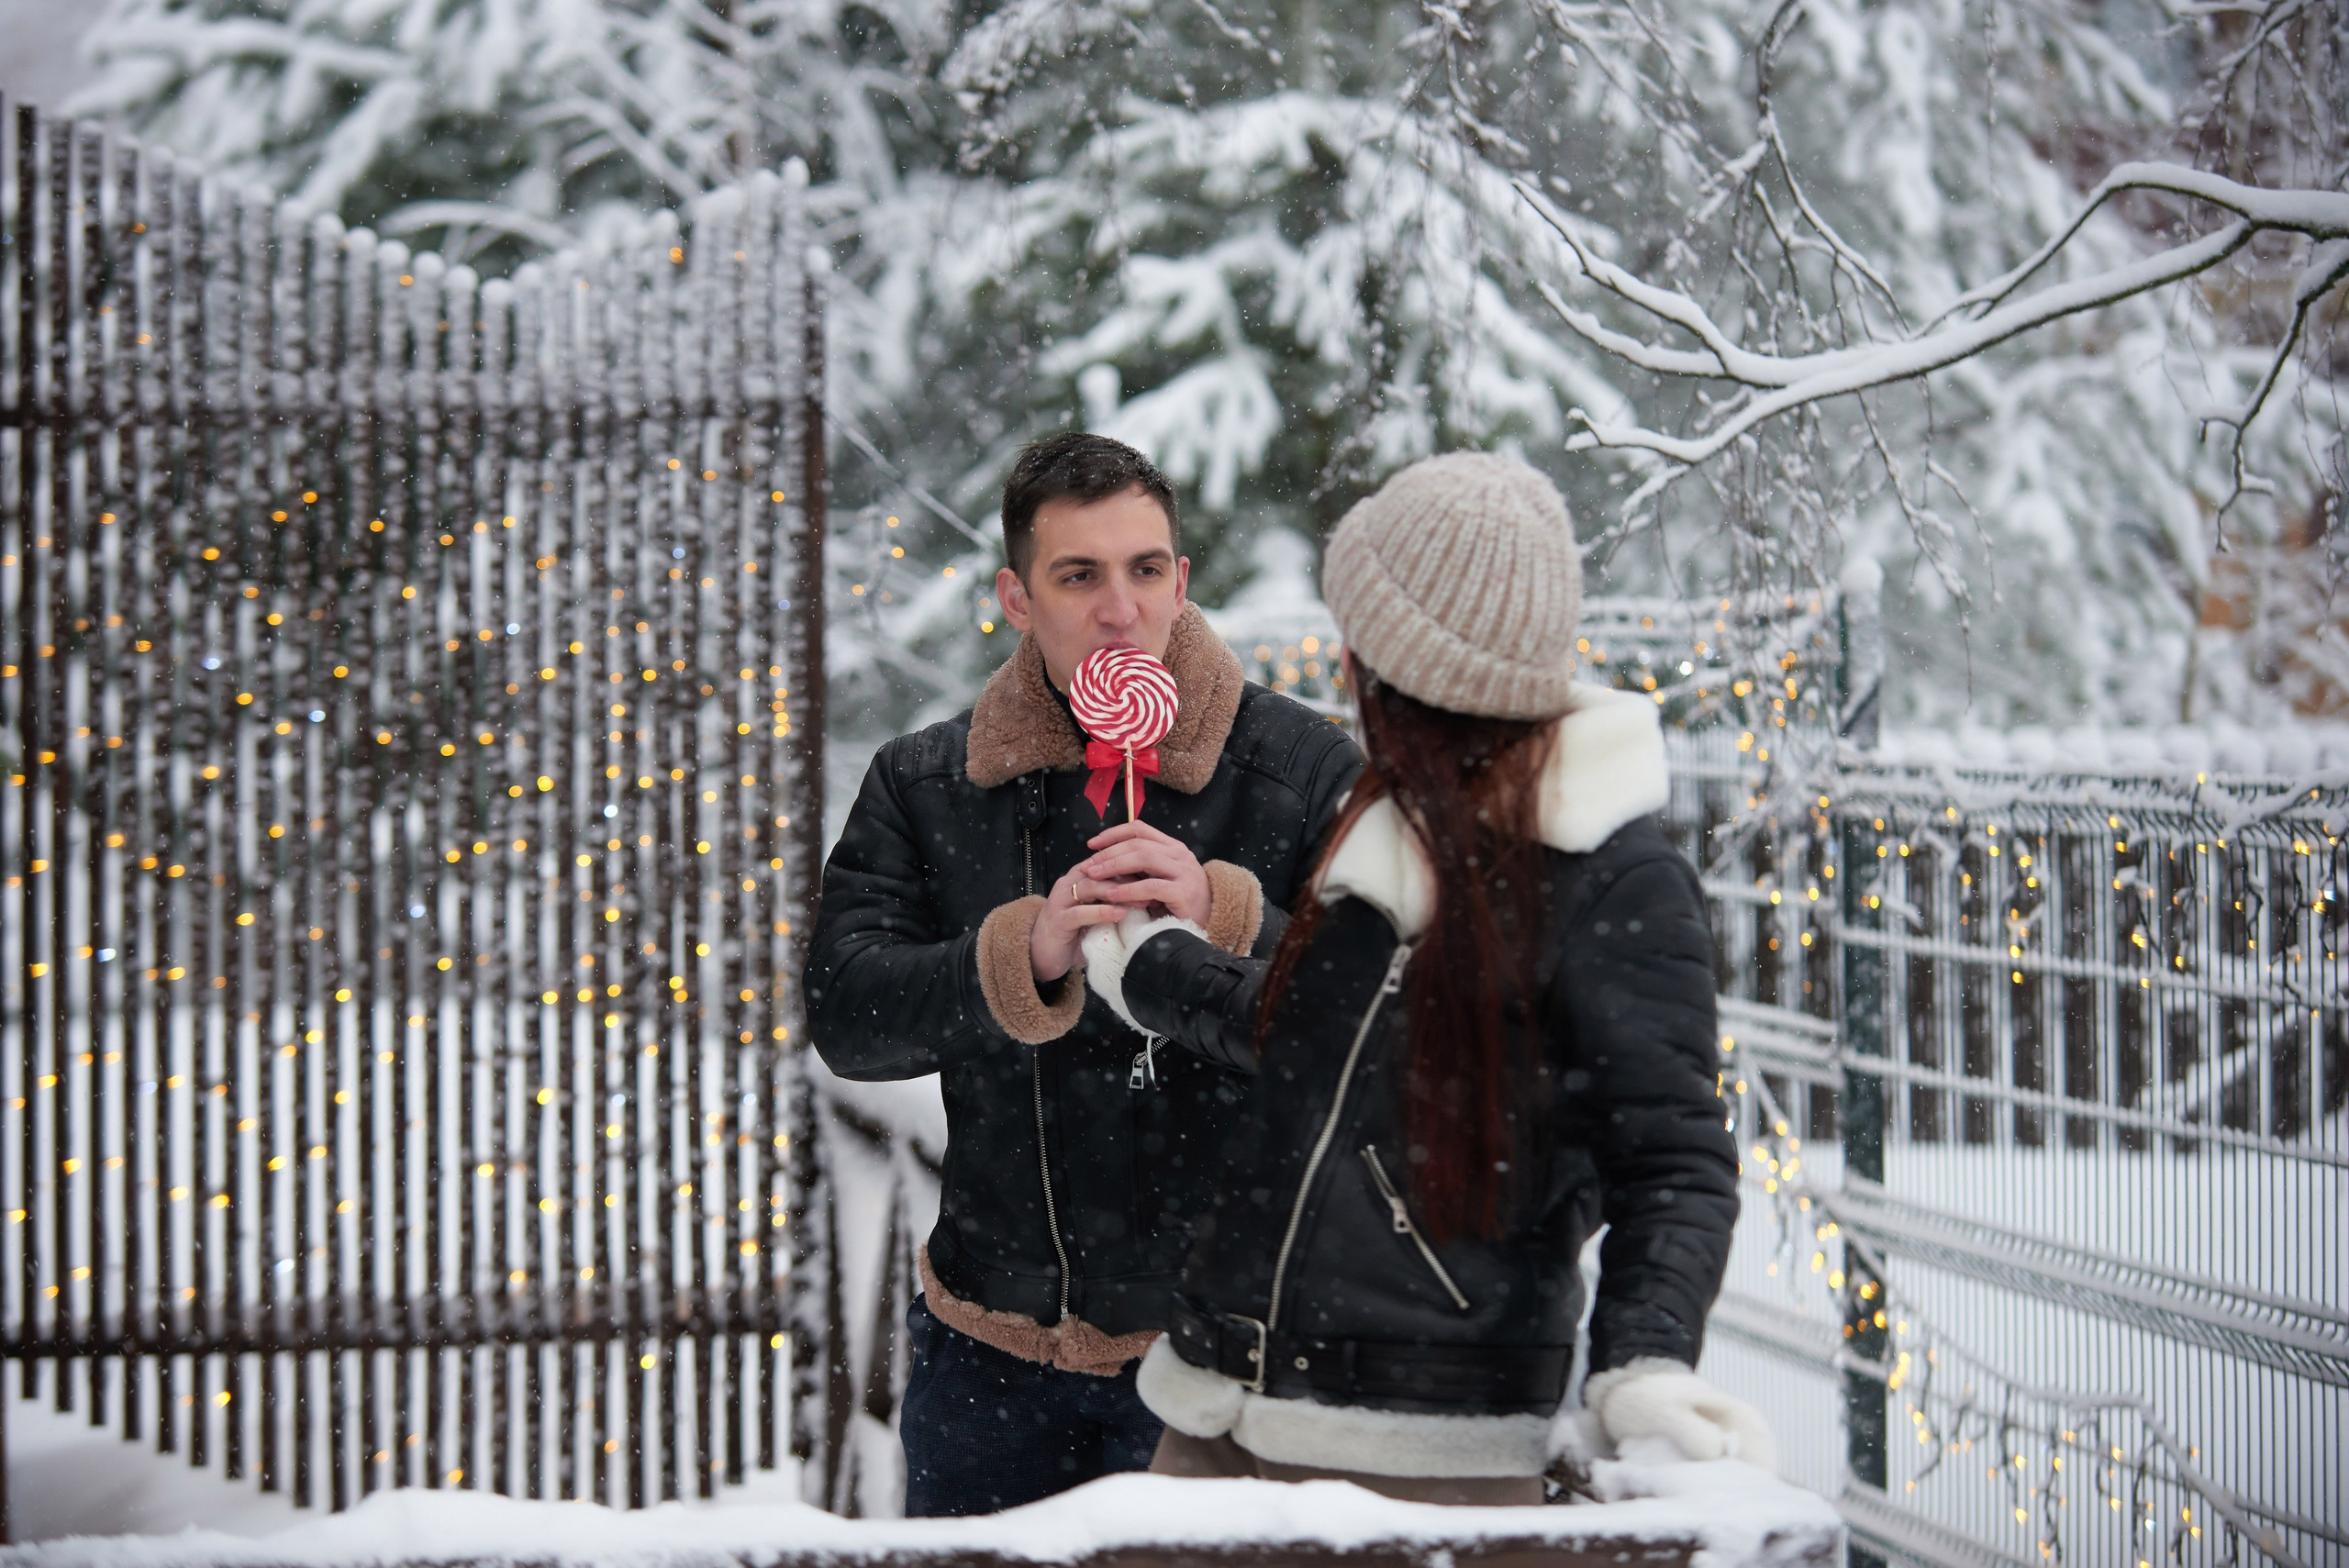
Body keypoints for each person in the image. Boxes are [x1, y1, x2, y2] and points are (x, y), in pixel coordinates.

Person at [1078, 451, 1771, 1503]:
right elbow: (1308, 1044)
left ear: (1409, 671)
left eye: (1362, 637)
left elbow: (1675, 1159)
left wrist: (1644, 1365)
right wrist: (1152, 961)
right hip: (1219, 1409)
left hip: (1411, 1447)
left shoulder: (1607, 877)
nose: (1345, 660)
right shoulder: (1397, 830)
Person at [804, 432, 1360, 1516]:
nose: (1121, 608)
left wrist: (1227, 910)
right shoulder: (927, 783)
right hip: (987, 1355)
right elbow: (847, 1014)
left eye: (1146, 569)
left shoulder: (1299, 772)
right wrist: (1024, 952)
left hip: (1225, 1361)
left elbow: (1386, 1016)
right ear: (1016, 595)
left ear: (1182, 578)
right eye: (1079, 575)